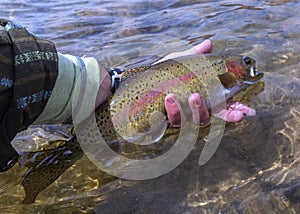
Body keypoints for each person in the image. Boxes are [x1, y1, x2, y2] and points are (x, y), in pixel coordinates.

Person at [0, 18, 256, 172]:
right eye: (245, 62)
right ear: (230, 70)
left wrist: (106, 85)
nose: (248, 65)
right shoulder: (223, 70)